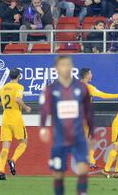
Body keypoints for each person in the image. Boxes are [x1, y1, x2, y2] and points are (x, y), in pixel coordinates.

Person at [39, 55, 95, 195]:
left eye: (69, 64)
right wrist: (43, 128)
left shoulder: (81, 87)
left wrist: (92, 134)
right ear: (56, 68)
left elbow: (89, 112)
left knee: (83, 169)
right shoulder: (51, 89)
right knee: (58, 174)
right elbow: (45, 109)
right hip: (60, 139)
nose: (66, 68)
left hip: (78, 137)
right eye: (63, 65)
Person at [79, 68, 118, 169]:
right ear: (86, 75)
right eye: (90, 73)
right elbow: (103, 95)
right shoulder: (88, 87)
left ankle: (89, 161)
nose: (91, 75)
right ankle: (89, 160)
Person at [0, 68, 32, 180]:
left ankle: (1, 170)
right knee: (24, 143)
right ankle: (13, 160)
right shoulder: (19, 87)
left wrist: (6, 104)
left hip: (5, 119)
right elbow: (18, 99)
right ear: (19, 76)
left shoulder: (3, 88)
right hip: (16, 118)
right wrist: (26, 107)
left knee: (5, 147)